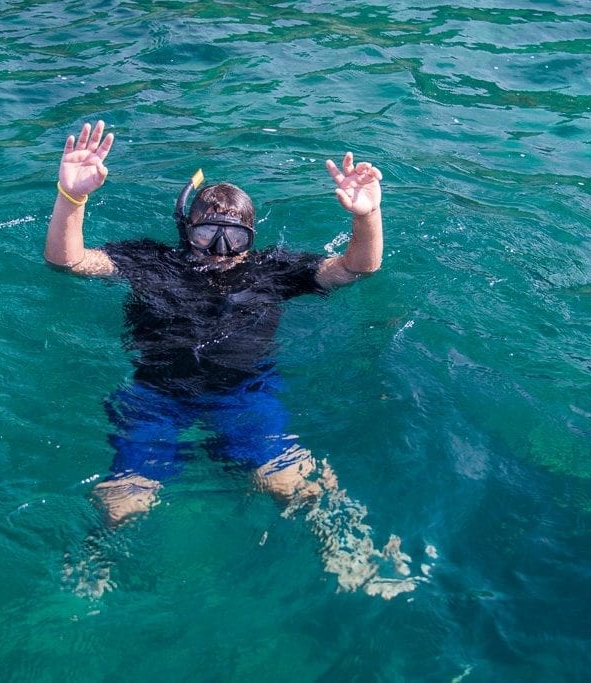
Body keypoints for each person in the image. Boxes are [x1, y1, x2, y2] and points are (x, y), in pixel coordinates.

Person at [46, 121, 422, 599]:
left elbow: (355, 268)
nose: (222, 250)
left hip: (245, 392)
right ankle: (94, 561)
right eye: (208, 234)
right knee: (124, 500)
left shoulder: (274, 269)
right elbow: (69, 262)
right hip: (158, 394)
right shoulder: (149, 260)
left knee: (295, 483)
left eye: (235, 238)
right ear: (186, 230)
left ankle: (351, 549)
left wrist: (367, 216)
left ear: (252, 238)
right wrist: (71, 198)